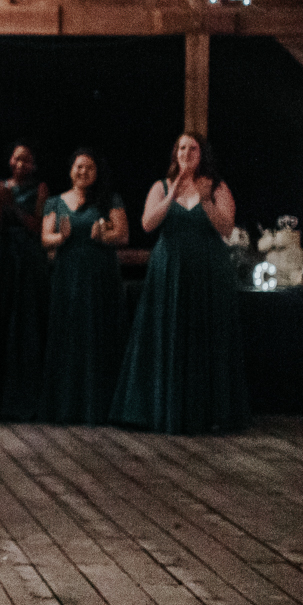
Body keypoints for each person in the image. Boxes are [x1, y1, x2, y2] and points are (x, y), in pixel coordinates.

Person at [112, 132, 249, 434]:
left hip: (208, 271)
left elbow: (227, 229)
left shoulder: (216, 186)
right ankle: (163, 409)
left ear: (202, 154)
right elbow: (148, 224)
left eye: (193, 148)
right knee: (168, 332)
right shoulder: (160, 187)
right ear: (175, 153)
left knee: (205, 335)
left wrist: (205, 200)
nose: (187, 153)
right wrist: (173, 192)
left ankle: (208, 412)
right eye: (182, 148)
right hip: (169, 269)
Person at [40, 148, 128, 425]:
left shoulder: (109, 199)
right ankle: (66, 407)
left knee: (99, 334)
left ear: (97, 173)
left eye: (89, 167)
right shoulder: (55, 202)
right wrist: (61, 237)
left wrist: (104, 235)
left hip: (101, 276)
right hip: (68, 276)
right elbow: (45, 238)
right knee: (69, 334)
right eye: (79, 166)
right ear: (71, 171)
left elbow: (123, 234)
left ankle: (98, 407)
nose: (83, 171)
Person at [0, 142, 50, 421]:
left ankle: (25, 398)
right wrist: (0, 203)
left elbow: (37, 226)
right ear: (10, 160)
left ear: (34, 165)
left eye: (27, 159)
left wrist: (12, 204)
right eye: (17, 158)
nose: (21, 163)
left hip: (29, 258)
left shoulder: (41, 188)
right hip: (4, 257)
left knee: (26, 322)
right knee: (1, 321)